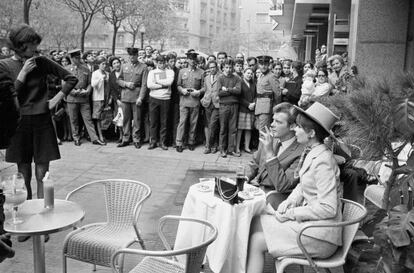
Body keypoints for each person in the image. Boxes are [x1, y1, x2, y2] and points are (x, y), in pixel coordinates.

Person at [246, 102, 342, 273]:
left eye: (298, 127)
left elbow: (328, 208)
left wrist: (291, 214)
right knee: (254, 222)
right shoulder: (312, 151)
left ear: (311, 133)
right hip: (311, 226)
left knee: (256, 240)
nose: (295, 130)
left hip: (320, 236)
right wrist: (288, 202)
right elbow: (302, 186)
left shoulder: (323, 161)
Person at [1, 25, 78, 203]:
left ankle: (44, 212)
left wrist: (55, 100)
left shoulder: (42, 62)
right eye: (31, 44)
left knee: (43, 173)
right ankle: (27, 209)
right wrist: (23, 73)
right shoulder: (4, 65)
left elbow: (71, 78)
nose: (36, 48)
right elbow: (9, 94)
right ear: (20, 46)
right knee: (23, 173)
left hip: (42, 121)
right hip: (18, 124)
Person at [246, 102, 304, 193]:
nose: (272, 125)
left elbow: (284, 185)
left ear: (292, 126)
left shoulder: (301, 152)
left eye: (278, 122)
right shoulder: (270, 139)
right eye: (273, 120)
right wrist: (245, 177)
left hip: (273, 196)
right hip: (253, 189)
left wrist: (270, 153)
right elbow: (254, 163)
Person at [66, 49, 103, 146]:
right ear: (71, 58)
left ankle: (94, 138)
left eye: (79, 58)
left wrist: (87, 91)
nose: (77, 60)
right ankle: (76, 137)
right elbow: (64, 84)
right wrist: (74, 92)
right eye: (75, 58)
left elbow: (90, 83)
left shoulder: (85, 69)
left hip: (84, 98)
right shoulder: (66, 69)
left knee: (88, 119)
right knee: (74, 119)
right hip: (72, 98)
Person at [117, 47, 148, 148]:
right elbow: (119, 80)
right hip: (125, 96)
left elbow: (144, 84)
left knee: (137, 119)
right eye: (130, 55)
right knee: (126, 119)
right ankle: (126, 138)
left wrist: (141, 98)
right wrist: (126, 84)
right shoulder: (124, 66)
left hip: (136, 97)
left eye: (133, 55)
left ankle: (136, 139)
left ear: (137, 55)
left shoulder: (143, 67)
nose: (131, 57)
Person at [175, 52, 204, 152]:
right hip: (184, 100)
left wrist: (199, 92)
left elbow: (204, 87)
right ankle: (179, 142)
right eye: (190, 59)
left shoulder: (201, 72)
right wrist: (182, 90)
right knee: (182, 122)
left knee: (193, 122)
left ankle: (191, 141)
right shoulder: (182, 71)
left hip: (195, 101)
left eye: (194, 59)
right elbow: (178, 85)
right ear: (187, 60)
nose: (192, 61)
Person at [147, 55, 174, 150]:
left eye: (163, 62)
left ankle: (163, 142)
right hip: (154, 98)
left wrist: (157, 83)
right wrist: (162, 85)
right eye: (159, 62)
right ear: (156, 63)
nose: (161, 64)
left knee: (164, 121)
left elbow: (169, 83)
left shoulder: (170, 72)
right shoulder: (152, 72)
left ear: (166, 62)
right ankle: (153, 142)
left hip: (166, 99)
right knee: (153, 121)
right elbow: (149, 85)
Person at [217, 59, 241, 157]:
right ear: (223, 67)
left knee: (233, 128)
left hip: (234, 106)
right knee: (223, 128)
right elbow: (219, 93)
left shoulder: (237, 78)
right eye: (226, 67)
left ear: (233, 67)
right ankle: (222, 149)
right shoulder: (220, 78)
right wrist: (232, 90)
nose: (229, 69)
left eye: (230, 67)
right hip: (224, 106)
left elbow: (239, 91)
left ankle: (231, 149)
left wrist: (227, 89)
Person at [254, 55, 282, 132]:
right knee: (260, 130)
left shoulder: (271, 76)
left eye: (265, 64)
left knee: (263, 132)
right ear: (258, 65)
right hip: (259, 106)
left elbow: (278, 93)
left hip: (266, 108)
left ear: (268, 65)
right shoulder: (261, 75)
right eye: (261, 64)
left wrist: (275, 108)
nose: (263, 67)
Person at [200, 60, 220, 154]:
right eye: (210, 67)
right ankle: (209, 145)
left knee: (213, 124)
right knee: (207, 125)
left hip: (216, 103)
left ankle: (211, 145)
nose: (212, 69)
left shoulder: (220, 77)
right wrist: (203, 98)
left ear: (216, 67)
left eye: (214, 67)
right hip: (207, 103)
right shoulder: (206, 77)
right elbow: (206, 89)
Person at [236, 67, 256, 154]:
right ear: (244, 73)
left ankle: (247, 147)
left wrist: (254, 103)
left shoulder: (253, 83)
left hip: (251, 109)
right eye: (248, 73)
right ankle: (237, 147)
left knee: (249, 129)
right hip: (242, 108)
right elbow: (239, 97)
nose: (249, 75)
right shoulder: (240, 82)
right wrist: (248, 104)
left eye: (251, 73)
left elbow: (256, 95)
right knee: (240, 129)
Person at [91, 56, 109, 144]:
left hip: (106, 97)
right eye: (102, 64)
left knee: (104, 117)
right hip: (98, 98)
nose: (104, 65)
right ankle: (99, 136)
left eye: (105, 64)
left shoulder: (107, 73)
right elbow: (93, 84)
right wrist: (101, 78)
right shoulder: (95, 73)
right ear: (98, 65)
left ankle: (104, 134)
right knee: (97, 117)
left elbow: (109, 87)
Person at [108, 56, 123, 142]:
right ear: (112, 66)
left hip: (125, 98)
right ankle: (120, 136)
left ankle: (127, 135)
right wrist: (116, 99)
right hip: (117, 100)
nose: (116, 64)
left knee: (127, 118)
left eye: (118, 63)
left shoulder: (124, 72)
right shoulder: (111, 75)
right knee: (119, 118)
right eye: (114, 63)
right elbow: (112, 89)